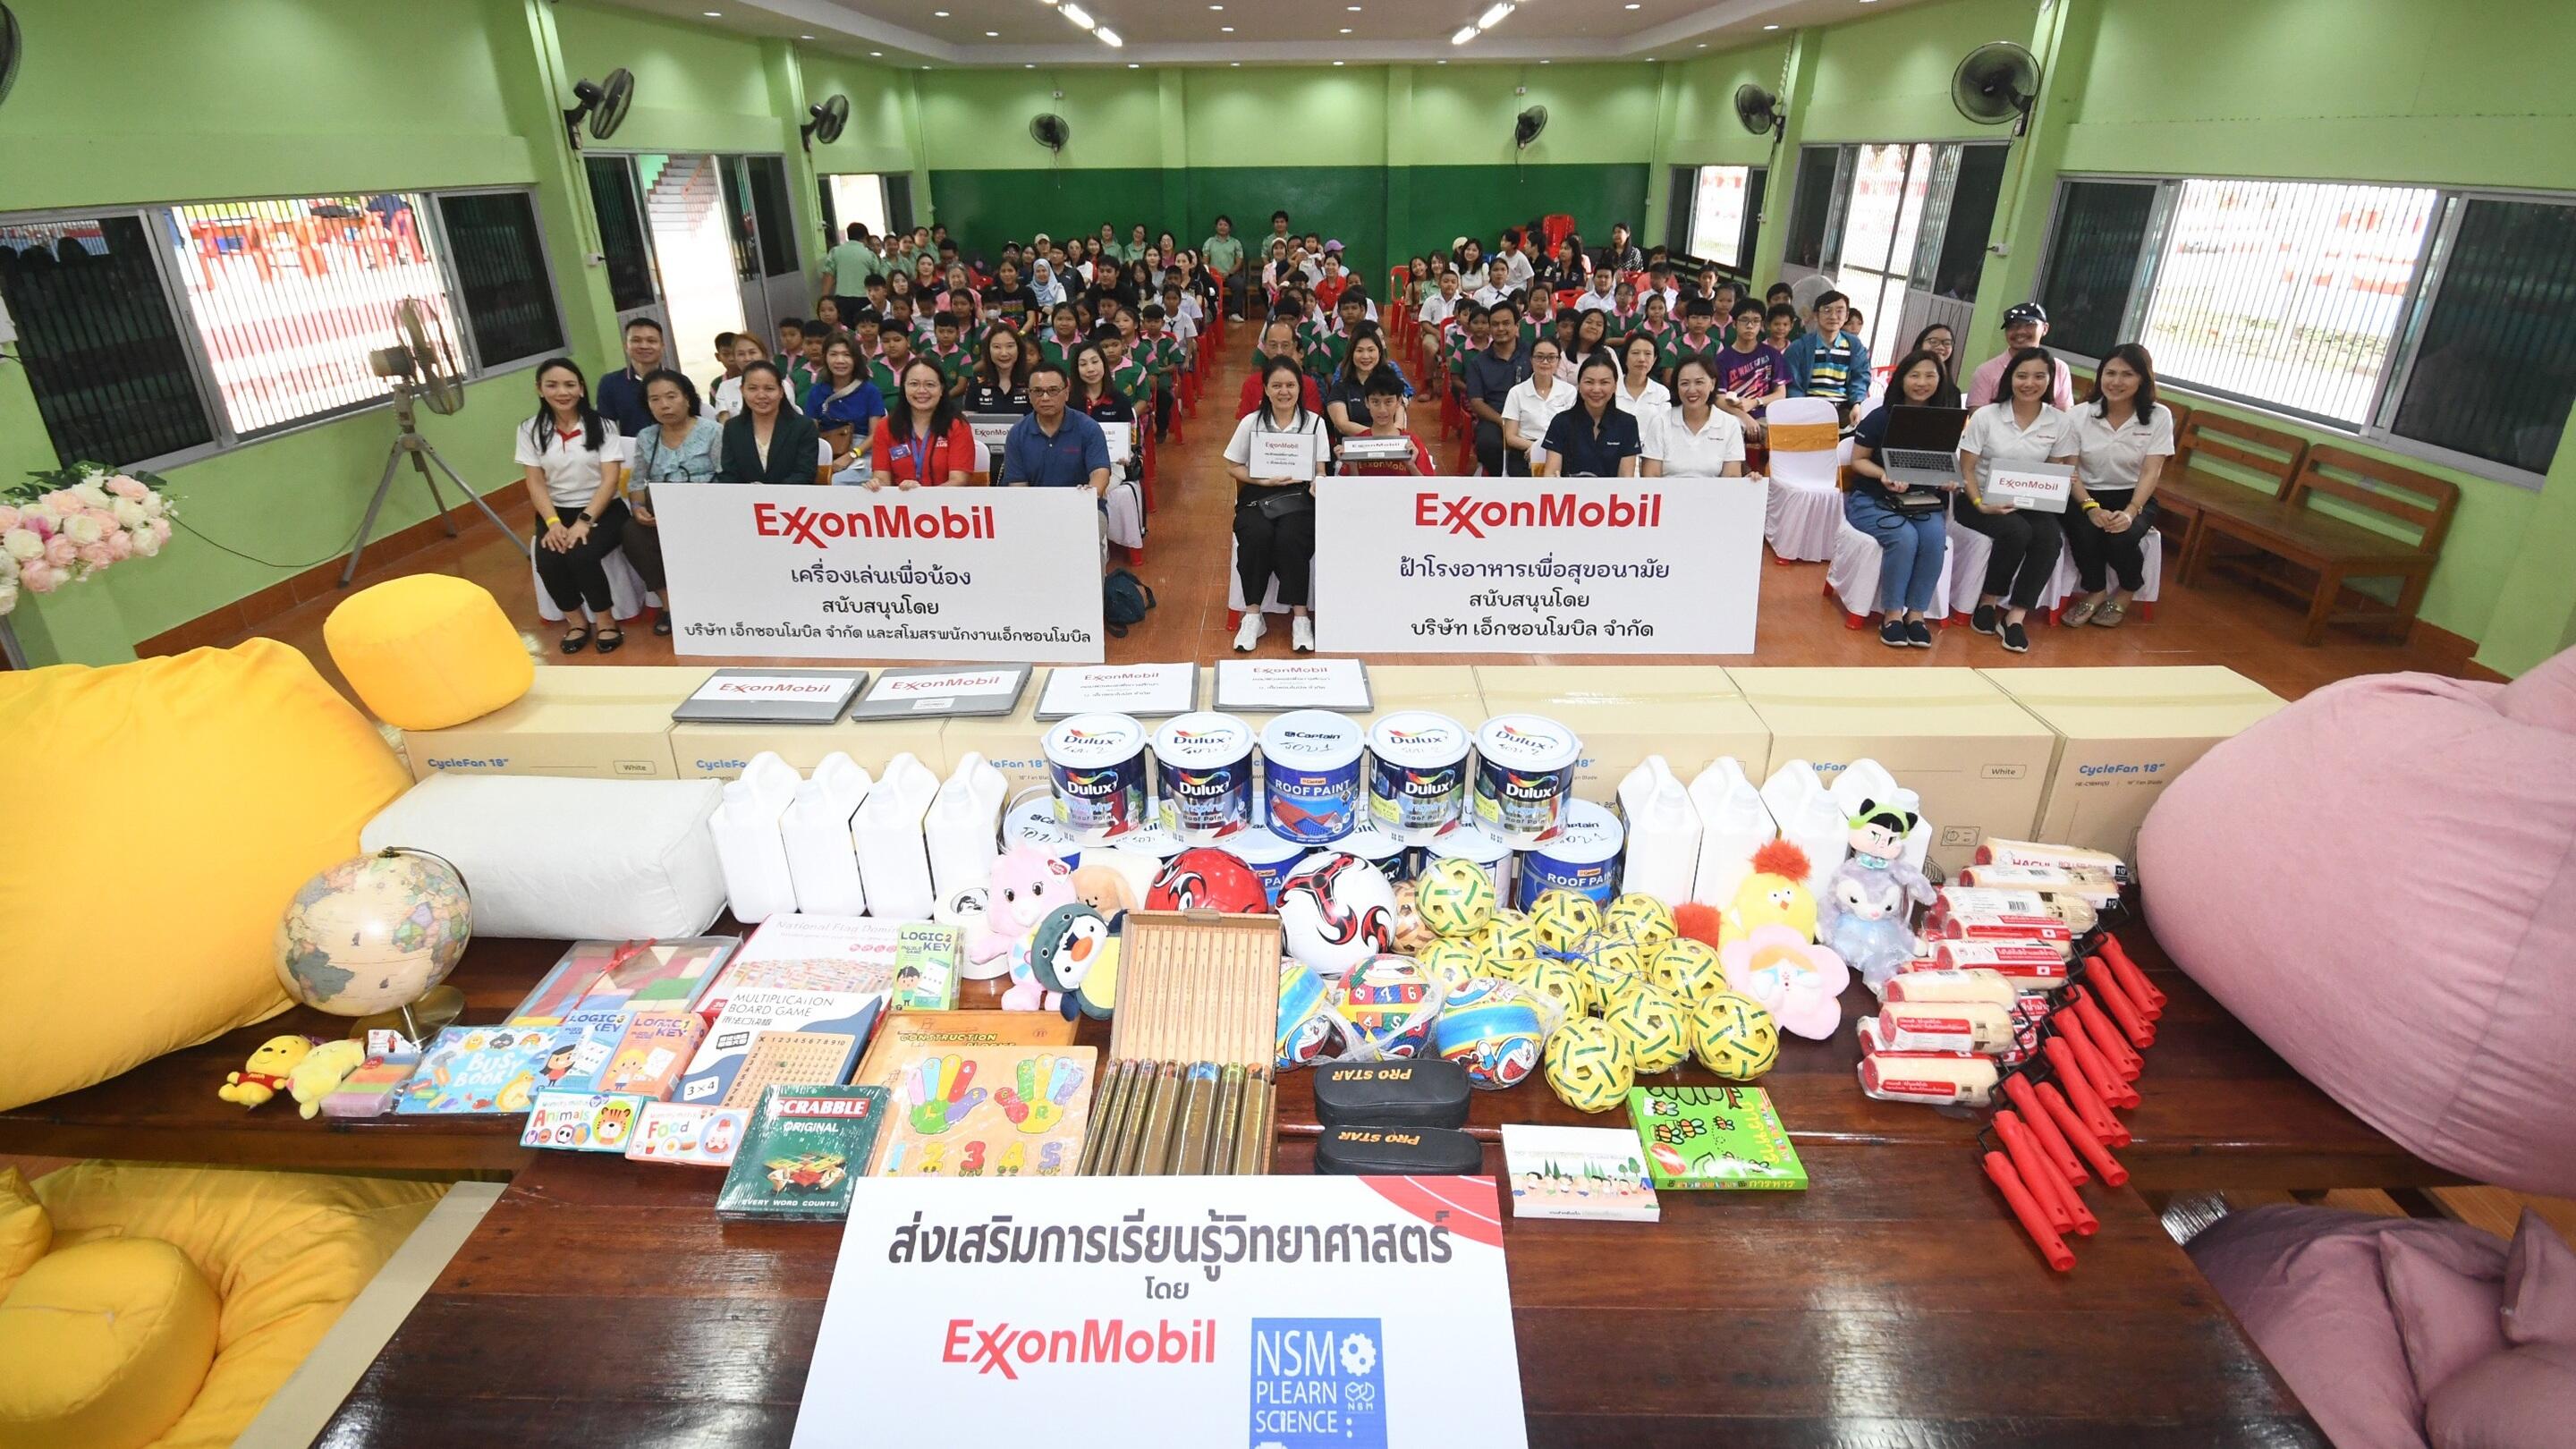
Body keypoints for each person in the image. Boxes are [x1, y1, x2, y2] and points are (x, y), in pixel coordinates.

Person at [1954, 346, 2078, 654]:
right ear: (2011, 378)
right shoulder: (1986, 416)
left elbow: (2060, 466)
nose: (2029, 383)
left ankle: (2017, 615)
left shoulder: (2059, 422)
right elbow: (1966, 468)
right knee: (2017, 531)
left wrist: (2062, 479)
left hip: (2030, 500)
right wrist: (1981, 503)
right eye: (2022, 375)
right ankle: (1988, 600)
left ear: (2050, 381)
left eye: (2039, 376)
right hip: (1978, 497)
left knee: (2050, 537)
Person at [1843, 348, 1961, 648]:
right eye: (1915, 375)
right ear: (1902, 379)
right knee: (1905, 538)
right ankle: (1893, 614)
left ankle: (1917, 614)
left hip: (1922, 501)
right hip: (1872, 499)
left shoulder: (1945, 420)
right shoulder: (1881, 417)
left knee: (1935, 539)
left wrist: (1948, 480)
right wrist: (1883, 475)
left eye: (1930, 376)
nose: (1922, 382)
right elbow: (1859, 461)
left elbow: (1945, 460)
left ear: (1940, 380)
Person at [515, 359, 626, 654]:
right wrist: (552, 524)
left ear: (581, 389)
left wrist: (585, 520)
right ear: (540, 390)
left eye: (569, 384)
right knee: (547, 559)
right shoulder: (529, 430)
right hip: (556, 511)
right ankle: (576, 622)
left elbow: (610, 480)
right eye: (552, 385)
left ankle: (605, 621)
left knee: (582, 554)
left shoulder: (602, 425)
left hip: (603, 508)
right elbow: (536, 483)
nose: (561, 392)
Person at [1225, 357, 1334, 654]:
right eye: (1277, 385)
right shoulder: (1252, 422)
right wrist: (1263, 482)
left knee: (1290, 537)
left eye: (1290, 385)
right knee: (1256, 535)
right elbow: (1233, 466)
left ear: (1300, 388)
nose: (1284, 391)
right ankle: (1252, 615)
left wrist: (1317, 481)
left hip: (1299, 498)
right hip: (1259, 494)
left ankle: (1300, 617)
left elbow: (1321, 470)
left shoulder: (1315, 423)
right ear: (1266, 389)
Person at [2062, 343, 2173, 628]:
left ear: (2143, 379)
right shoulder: (2079, 414)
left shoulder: (2159, 416)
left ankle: (2128, 589)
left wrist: (2130, 511)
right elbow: (2069, 468)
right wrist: (2089, 507)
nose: (2116, 381)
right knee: (2084, 530)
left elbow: (2152, 471)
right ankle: (2096, 591)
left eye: (2127, 374)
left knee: (2121, 537)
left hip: (2133, 496)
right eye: (2109, 373)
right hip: (2084, 493)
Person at [621, 368, 723, 637]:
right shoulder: (646, 437)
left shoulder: (713, 431)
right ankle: (671, 607)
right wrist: (639, 508)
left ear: (687, 399)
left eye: (671, 396)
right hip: (662, 512)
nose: (664, 405)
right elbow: (636, 482)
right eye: (655, 399)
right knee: (632, 532)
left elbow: (727, 478)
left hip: (706, 509)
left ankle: (714, 602)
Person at [996, 361, 1112, 496]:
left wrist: (1089, 496)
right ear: (1029, 395)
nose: (1045, 398)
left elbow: (1100, 473)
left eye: (1053, 390)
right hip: (1035, 509)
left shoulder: (1089, 428)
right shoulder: (1017, 433)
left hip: (1081, 506)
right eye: (1038, 391)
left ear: (1066, 393)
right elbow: (1017, 486)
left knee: (1099, 517)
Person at [869, 357, 979, 489]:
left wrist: (922, 496)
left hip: (947, 506)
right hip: (899, 505)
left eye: (930, 384)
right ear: (904, 388)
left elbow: (959, 481)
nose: (921, 391)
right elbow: (882, 478)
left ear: (942, 389)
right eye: (914, 384)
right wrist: (876, 484)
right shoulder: (885, 426)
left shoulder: (957, 426)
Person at [718, 360, 824, 487]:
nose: (761, 395)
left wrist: (770, 493)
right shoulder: (732, 428)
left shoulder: (803, 426)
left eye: (769, 389)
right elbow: (729, 475)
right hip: (745, 502)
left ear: (781, 391)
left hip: (791, 501)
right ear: (742, 390)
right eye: (752, 389)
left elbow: (805, 474)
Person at [1541, 353, 1646, 479]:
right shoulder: (1561, 421)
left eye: (1604, 382)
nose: (1596, 389)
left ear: (1615, 387)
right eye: (1589, 382)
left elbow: (1625, 477)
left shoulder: (1628, 423)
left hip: (1612, 497)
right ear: (1579, 385)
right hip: (1569, 496)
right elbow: (1551, 474)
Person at [1462, 299, 1535, 478]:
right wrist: (1503, 421)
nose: (1500, 329)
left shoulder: (1532, 354)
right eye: (1495, 324)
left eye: (1506, 323)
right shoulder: (1478, 362)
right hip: (1496, 417)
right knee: (1487, 443)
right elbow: (1477, 402)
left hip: (1532, 413)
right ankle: (1501, 481)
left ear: (1517, 326)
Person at [1644, 355, 1747, 480]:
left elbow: (1732, 478)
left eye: (1699, 382)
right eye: (1684, 383)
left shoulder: (1730, 424)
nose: (1692, 390)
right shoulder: (1660, 422)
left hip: (1713, 498)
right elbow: (1651, 477)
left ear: (1713, 384)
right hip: (1669, 498)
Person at [805, 337, 886, 482]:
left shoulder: (870, 391)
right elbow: (811, 435)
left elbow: (875, 435)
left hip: (862, 453)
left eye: (847, 355)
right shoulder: (816, 392)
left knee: (836, 482)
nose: (840, 360)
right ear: (825, 357)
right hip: (828, 452)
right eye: (834, 354)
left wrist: (852, 455)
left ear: (856, 359)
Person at [1965, 302, 2074, 410]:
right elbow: (1977, 420)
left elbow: (2064, 416)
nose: (2020, 331)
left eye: (2029, 325)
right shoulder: (1985, 372)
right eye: (2012, 326)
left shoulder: (2059, 368)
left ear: (2045, 328)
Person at [1784, 290, 1871, 421]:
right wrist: (1800, 411)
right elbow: (1794, 385)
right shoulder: (1799, 347)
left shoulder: (1854, 346)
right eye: (1827, 310)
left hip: (1843, 410)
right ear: (1815, 315)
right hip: (1807, 410)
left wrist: (1857, 404)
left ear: (1847, 315)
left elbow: (1860, 377)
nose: (1833, 316)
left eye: (1839, 311)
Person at [1713, 300, 1788, 442]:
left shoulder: (1772, 355)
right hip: (1733, 416)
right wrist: (1744, 417)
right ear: (1734, 324)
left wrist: (1755, 402)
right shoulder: (1722, 359)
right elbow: (1719, 399)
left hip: (1765, 415)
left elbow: (1781, 393)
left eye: (1756, 321)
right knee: (1736, 430)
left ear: (1762, 325)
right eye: (1744, 320)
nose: (1750, 326)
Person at [1339, 371, 1438, 477]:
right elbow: (1349, 490)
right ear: (1367, 403)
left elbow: (1428, 488)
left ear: (1399, 402)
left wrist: (1411, 465)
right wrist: (1352, 466)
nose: (1382, 410)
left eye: (1388, 402)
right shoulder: (1356, 444)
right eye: (1375, 402)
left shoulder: (1413, 443)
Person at [1500, 336, 1574, 475]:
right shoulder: (1516, 392)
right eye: (1539, 357)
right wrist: (1537, 448)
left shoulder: (1569, 391)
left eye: (1551, 357)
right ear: (1531, 360)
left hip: (1560, 451)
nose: (1545, 362)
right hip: (1525, 450)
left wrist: (1546, 449)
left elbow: (1572, 433)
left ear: (1558, 361)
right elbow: (1510, 437)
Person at [1326, 326, 1411, 441]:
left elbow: (1399, 423)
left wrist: (1386, 439)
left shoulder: (1391, 383)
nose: (1365, 356)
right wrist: (1377, 436)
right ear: (1351, 354)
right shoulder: (1340, 387)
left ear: (1380, 352)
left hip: (1389, 445)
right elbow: (1342, 424)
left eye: (1371, 350)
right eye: (1360, 350)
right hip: (1353, 449)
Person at [1239, 317, 1326, 417]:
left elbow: (1313, 424)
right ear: (1265, 348)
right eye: (1273, 345)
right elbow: (1244, 424)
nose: (1279, 352)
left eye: (1285, 345)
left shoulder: (1308, 385)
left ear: (1294, 346)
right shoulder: (1251, 383)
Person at [593, 317, 664, 438]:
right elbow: (606, 431)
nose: (644, 346)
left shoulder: (678, 382)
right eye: (636, 340)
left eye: (651, 341)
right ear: (626, 346)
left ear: (662, 346)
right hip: (632, 453)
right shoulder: (610, 383)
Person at [1657, 297, 1722, 390]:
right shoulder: (1674, 346)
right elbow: (1668, 380)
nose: (1699, 322)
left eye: (1705, 318)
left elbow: (1719, 377)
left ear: (1711, 322)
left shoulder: (1717, 347)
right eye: (1694, 317)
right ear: (1686, 321)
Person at [965, 327, 1033, 413]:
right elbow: (970, 419)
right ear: (988, 351)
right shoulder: (976, 383)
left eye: (1010, 346)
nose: (1004, 353)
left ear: (1019, 349)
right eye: (997, 347)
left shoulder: (1031, 381)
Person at [1069, 342, 1135, 425]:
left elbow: (1129, 435)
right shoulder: (1068, 402)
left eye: (1095, 361)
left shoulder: (1121, 401)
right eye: (1083, 364)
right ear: (1076, 369)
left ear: (1104, 363)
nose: (1090, 369)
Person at [1614, 333, 1671, 419]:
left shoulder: (1662, 393)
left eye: (1648, 354)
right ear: (1625, 357)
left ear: (1654, 359)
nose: (1641, 359)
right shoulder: (1612, 389)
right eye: (1635, 353)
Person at [822, 223, 883, 296]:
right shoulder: (870, 255)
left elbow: (828, 275)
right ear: (865, 237)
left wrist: (824, 297)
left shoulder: (835, 251)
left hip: (842, 298)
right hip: (864, 298)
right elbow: (878, 277)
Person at [985, 259, 1041, 335]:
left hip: (1024, 335)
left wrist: (1020, 334)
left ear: (1017, 273)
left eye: (1010, 271)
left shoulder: (1027, 292)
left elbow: (1031, 319)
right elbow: (991, 320)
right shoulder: (994, 294)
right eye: (1003, 271)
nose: (1007, 274)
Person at [1911, 323, 1957, 387]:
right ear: (1920, 345)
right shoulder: (1905, 375)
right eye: (1933, 342)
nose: (1941, 347)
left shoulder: (1952, 389)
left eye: (1947, 343)